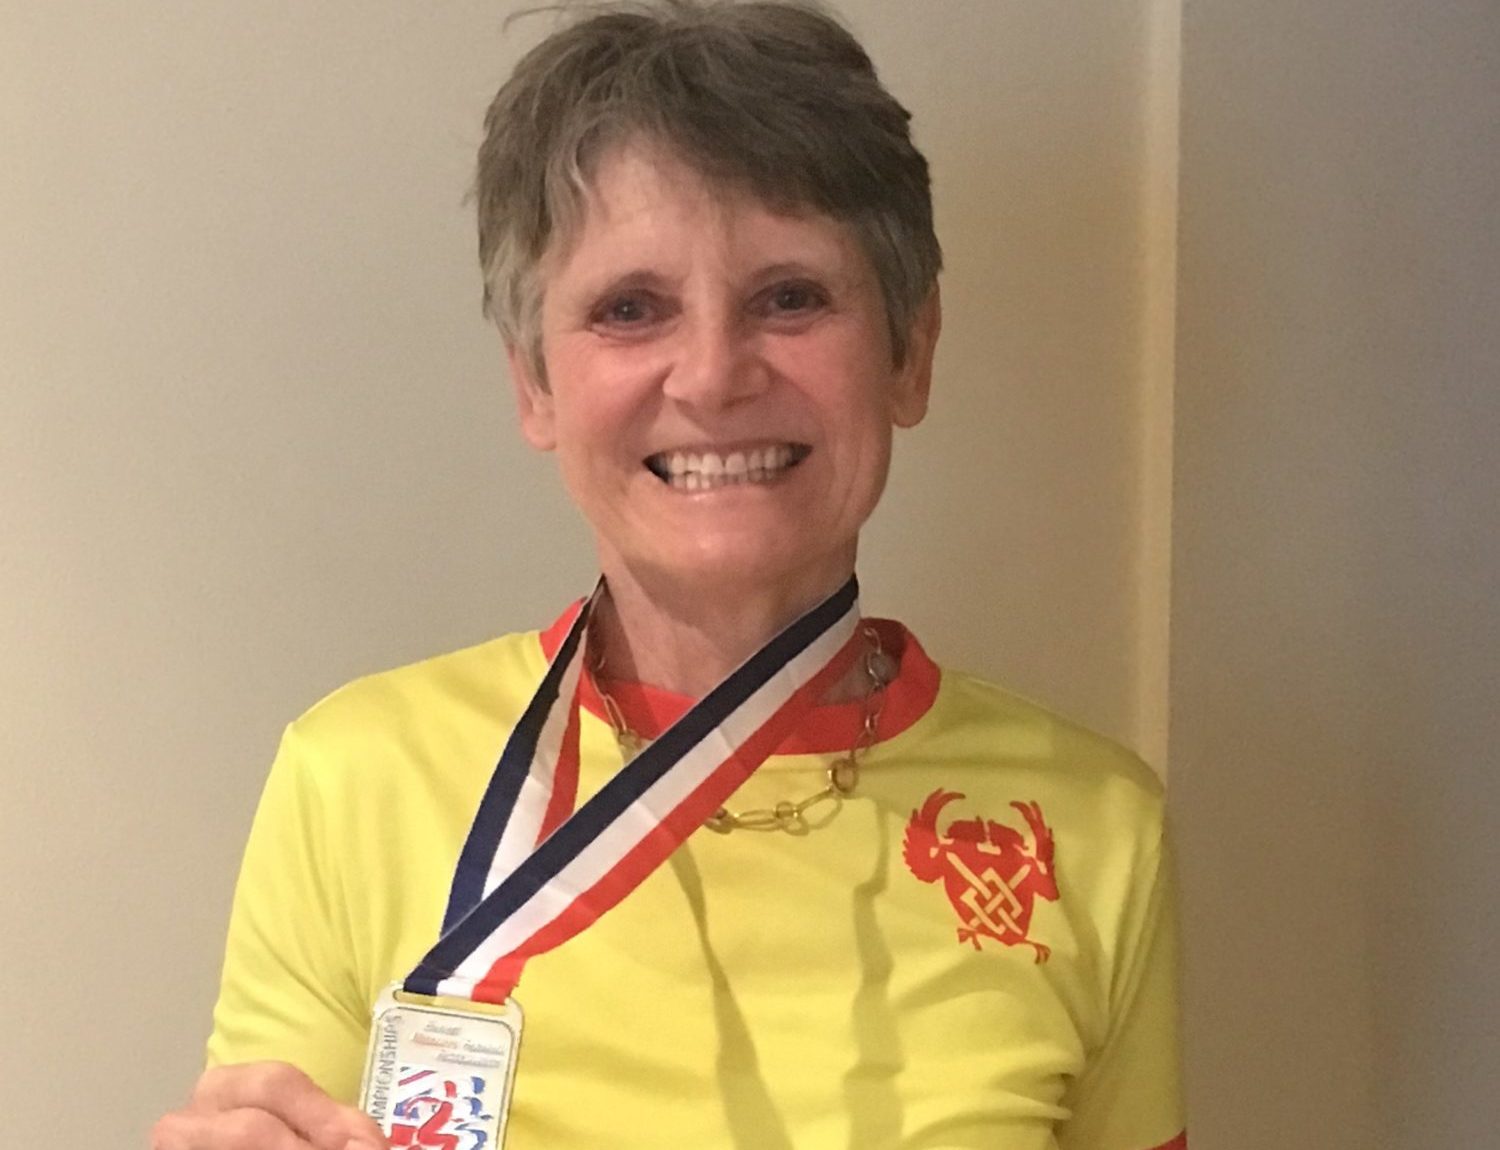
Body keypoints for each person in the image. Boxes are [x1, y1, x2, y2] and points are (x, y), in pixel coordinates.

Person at [151, 2, 1186, 1148]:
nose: (711, 374)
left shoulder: (1094, 827)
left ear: (910, 349)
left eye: (790, 297)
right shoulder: (355, 777)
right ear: (535, 383)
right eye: (630, 309)